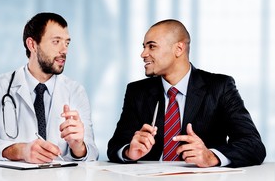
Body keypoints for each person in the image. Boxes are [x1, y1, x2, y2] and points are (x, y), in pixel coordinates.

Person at [107, 19, 266, 168]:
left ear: (179, 49)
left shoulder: (219, 87)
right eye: (144, 47)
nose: (143, 54)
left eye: (152, 46)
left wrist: (211, 157)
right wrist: (129, 152)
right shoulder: (137, 91)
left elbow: (253, 145)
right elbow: (115, 146)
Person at [0, 12, 99, 163]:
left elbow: (92, 153)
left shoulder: (75, 91)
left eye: (67, 43)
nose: (64, 50)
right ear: (32, 45)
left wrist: (79, 147)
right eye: (56, 42)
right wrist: (19, 150)